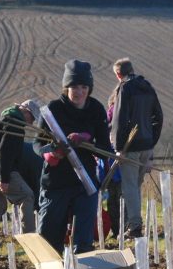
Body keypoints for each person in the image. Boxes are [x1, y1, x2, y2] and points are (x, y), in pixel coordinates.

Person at [35, 60, 112, 254]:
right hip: (56, 183)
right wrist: (51, 154)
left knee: (83, 241)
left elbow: (106, 149)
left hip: (85, 184)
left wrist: (88, 140)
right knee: (50, 239)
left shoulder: (96, 110)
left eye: (84, 87)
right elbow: (37, 145)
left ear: (89, 88)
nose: (79, 92)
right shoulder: (52, 110)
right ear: (66, 87)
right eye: (74, 87)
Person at [108, 58, 163, 239]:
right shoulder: (147, 86)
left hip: (130, 147)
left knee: (130, 186)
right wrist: (152, 141)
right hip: (146, 145)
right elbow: (158, 116)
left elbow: (120, 119)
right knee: (136, 186)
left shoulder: (125, 88)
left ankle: (135, 227)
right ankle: (134, 223)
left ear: (118, 74)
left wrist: (118, 147)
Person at [0, 99, 41, 244]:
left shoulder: (5, 118)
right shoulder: (14, 125)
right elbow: (4, 153)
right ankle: (30, 240)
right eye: (32, 118)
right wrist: (4, 179)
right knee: (27, 196)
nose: (32, 122)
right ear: (25, 111)